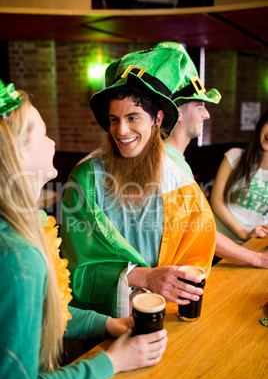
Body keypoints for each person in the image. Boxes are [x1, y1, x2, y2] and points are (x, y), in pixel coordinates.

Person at [0, 80, 168, 379]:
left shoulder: (30, 225)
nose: (52, 143)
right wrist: (112, 361)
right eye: (44, 134)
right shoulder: (18, 256)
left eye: (133, 117)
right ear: (16, 151)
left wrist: (106, 325)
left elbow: (49, 310)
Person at [61, 42, 216, 318]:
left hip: (164, 318)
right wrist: (143, 278)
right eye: (113, 119)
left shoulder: (179, 181)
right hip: (101, 325)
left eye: (133, 117)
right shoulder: (85, 179)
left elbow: (197, 254)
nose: (121, 131)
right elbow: (77, 268)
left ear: (157, 119)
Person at [164, 54, 268, 267]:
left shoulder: (176, 162)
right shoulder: (168, 163)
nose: (207, 115)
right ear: (178, 112)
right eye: (201, 106)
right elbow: (200, 227)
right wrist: (255, 256)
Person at [210, 109, 268, 245]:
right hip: (218, 242)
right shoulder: (235, 156)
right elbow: (216, 202)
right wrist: (244, 234)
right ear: (261, 125)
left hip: (254, 246)